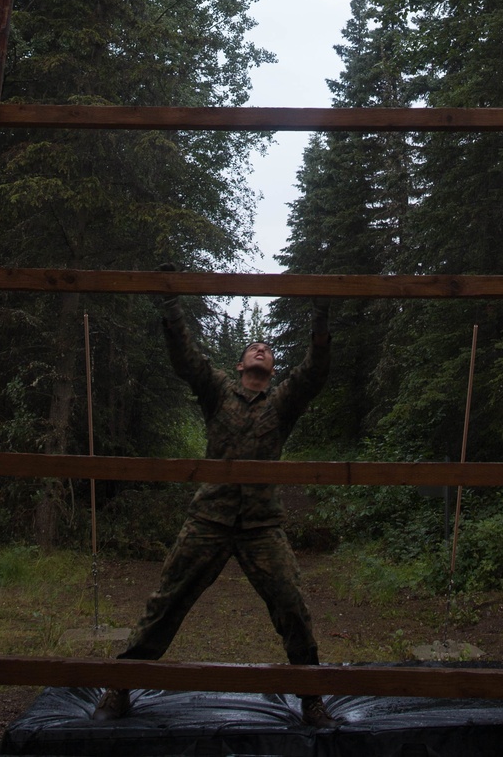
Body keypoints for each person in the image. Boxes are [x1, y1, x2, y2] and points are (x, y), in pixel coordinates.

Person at [92, 282, 336, 729]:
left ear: (273, 366)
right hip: (209, 517)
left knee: (292, 606)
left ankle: (312, 698)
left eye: (267, 349)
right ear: (240, 364)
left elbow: (315, 371)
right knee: (166, 602)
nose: (261, 349)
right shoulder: (219, 392)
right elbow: (187, 361)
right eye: (253, 348)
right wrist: (170, 307)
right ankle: (120, 686)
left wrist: (320, 315)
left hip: (261, 524)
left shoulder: (282, 404)